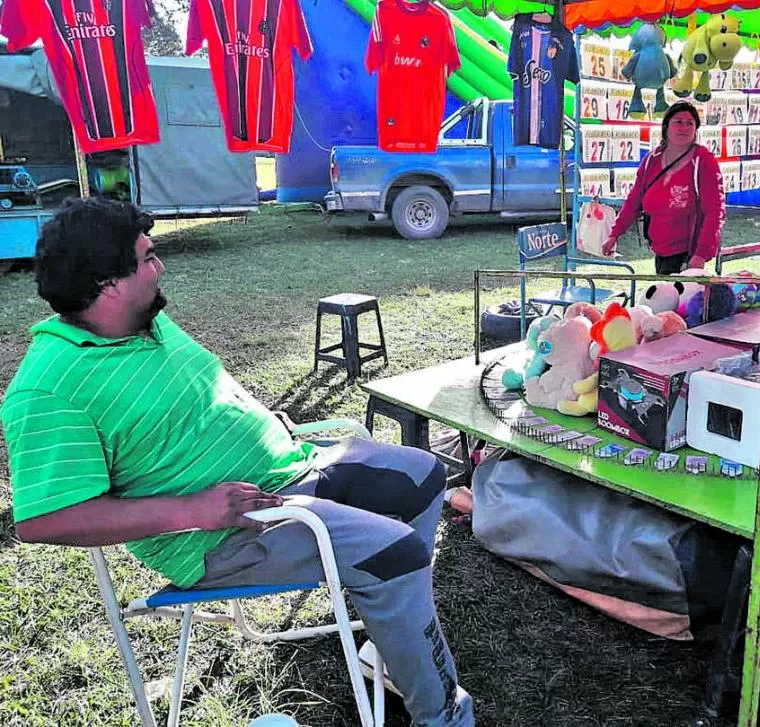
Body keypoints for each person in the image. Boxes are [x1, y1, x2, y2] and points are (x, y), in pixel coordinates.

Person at [1, 197, 474, 727]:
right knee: (397, 554)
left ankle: (392, 642)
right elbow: (45, 520)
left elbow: (198, 391)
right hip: (223, 536)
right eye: (149, 258)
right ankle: (443, 715)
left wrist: (260, 419)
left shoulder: (145, 322)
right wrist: (194, 510)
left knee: (425, 474)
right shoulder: (47, 389)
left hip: (290, 467)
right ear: (108, 284)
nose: (160, 268)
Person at [603, 101, 726, 274]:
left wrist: (701, 253)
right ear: (666, 126)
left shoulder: (703, 160)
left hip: (688, 255)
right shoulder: (652, 159)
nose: (684, 127)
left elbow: (715, 211)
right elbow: (634, 200)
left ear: (696, 130)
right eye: (678, 121)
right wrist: (614, 234)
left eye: (690, 123)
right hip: (660, 249)